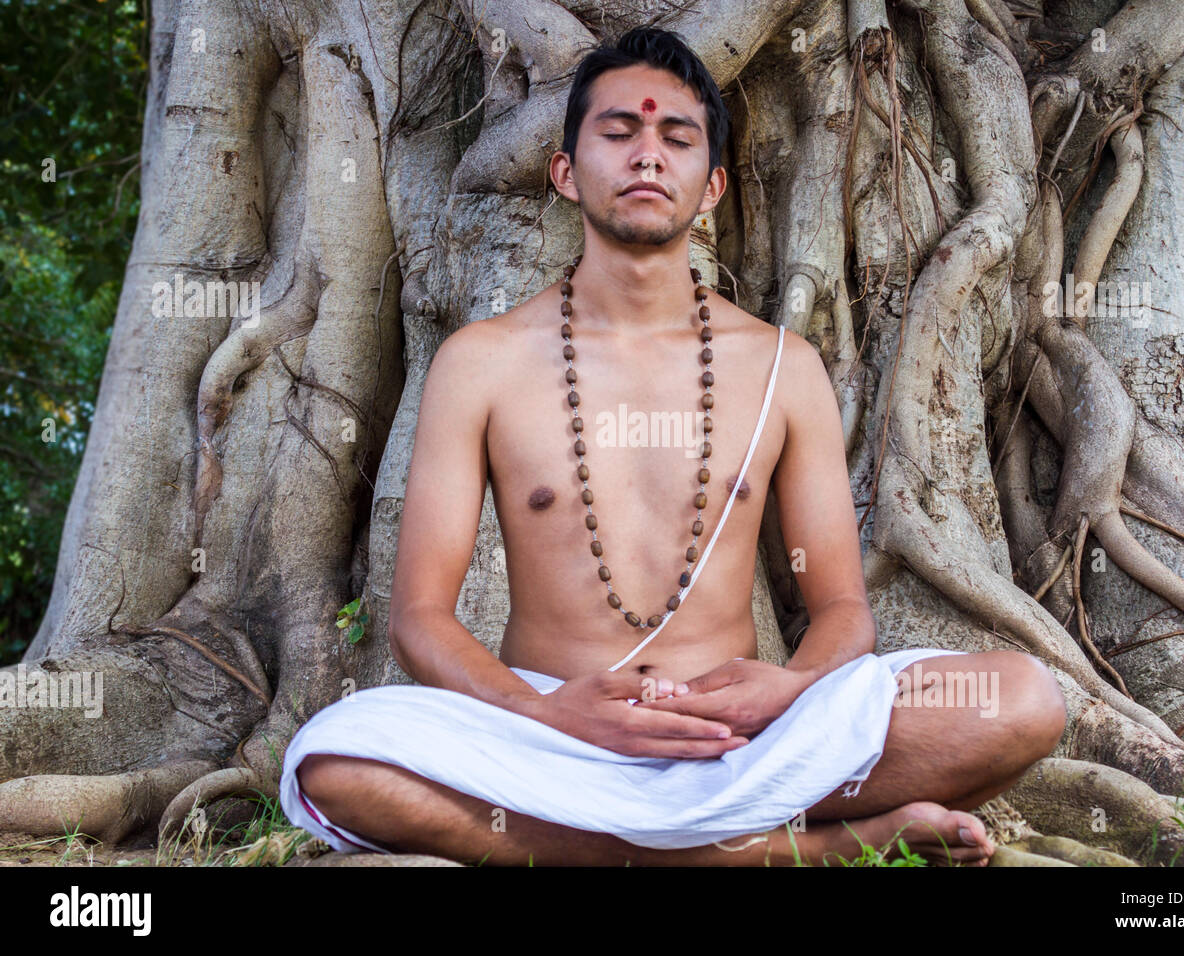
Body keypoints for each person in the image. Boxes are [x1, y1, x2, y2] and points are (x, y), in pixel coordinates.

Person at [280, 25, 1067, 866]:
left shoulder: (780, 368)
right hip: (550, 740)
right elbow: (421, 619)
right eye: (618, 134)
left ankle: (643, 848)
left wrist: (789, 690)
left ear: (713, 184)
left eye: (676, 137)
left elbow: (842, 609)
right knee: (333, 760)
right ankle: (785, 852)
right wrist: (551, 714)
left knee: (1022, 700)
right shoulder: (481, 362)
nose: (646, 156)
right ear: (565, 173)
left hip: (737, 739)